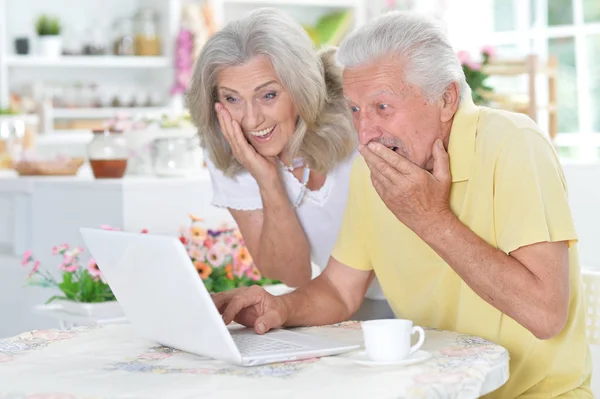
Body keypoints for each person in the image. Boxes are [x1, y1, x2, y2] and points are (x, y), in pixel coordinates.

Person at [212, 11, 592, 399]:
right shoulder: (374, 166)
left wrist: (431, 219)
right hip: (439, 391)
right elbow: (341, 290)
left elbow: (545, 315)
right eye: (355, 110)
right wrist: (279, 307)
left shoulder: (513, 143)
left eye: (382, 107)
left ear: (445, 99)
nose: (365, 133)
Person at [187, 7, 387, 304]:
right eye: (232, 99)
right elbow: (292, 274)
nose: (252, 120)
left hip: (425, 293)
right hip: (344, 306)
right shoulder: (229, 146)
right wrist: (267, 180)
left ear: (300, 86)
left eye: (268, 95)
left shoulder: (356, 114)